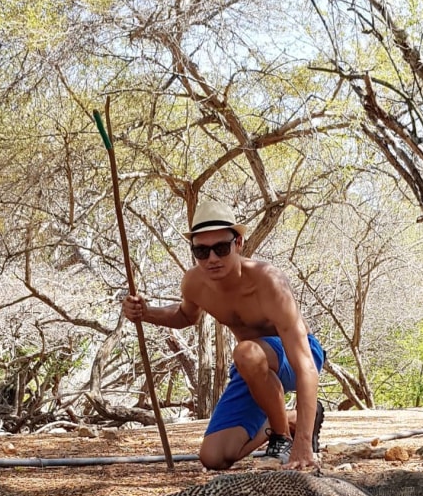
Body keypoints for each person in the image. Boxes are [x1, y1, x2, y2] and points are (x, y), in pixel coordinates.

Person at [122, 200, 325, 470]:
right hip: (252, 368)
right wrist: (145, 312)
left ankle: (283, 438)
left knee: (246, 352)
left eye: (220, 248)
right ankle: (289, 419)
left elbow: (305, 365)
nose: (212, 259)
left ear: (238, 243)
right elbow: (185, 317)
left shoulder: (269, 281)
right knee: (214, 457)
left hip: (296, 356)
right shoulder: (194, 283)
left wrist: (302, 446)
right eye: (201, 251)